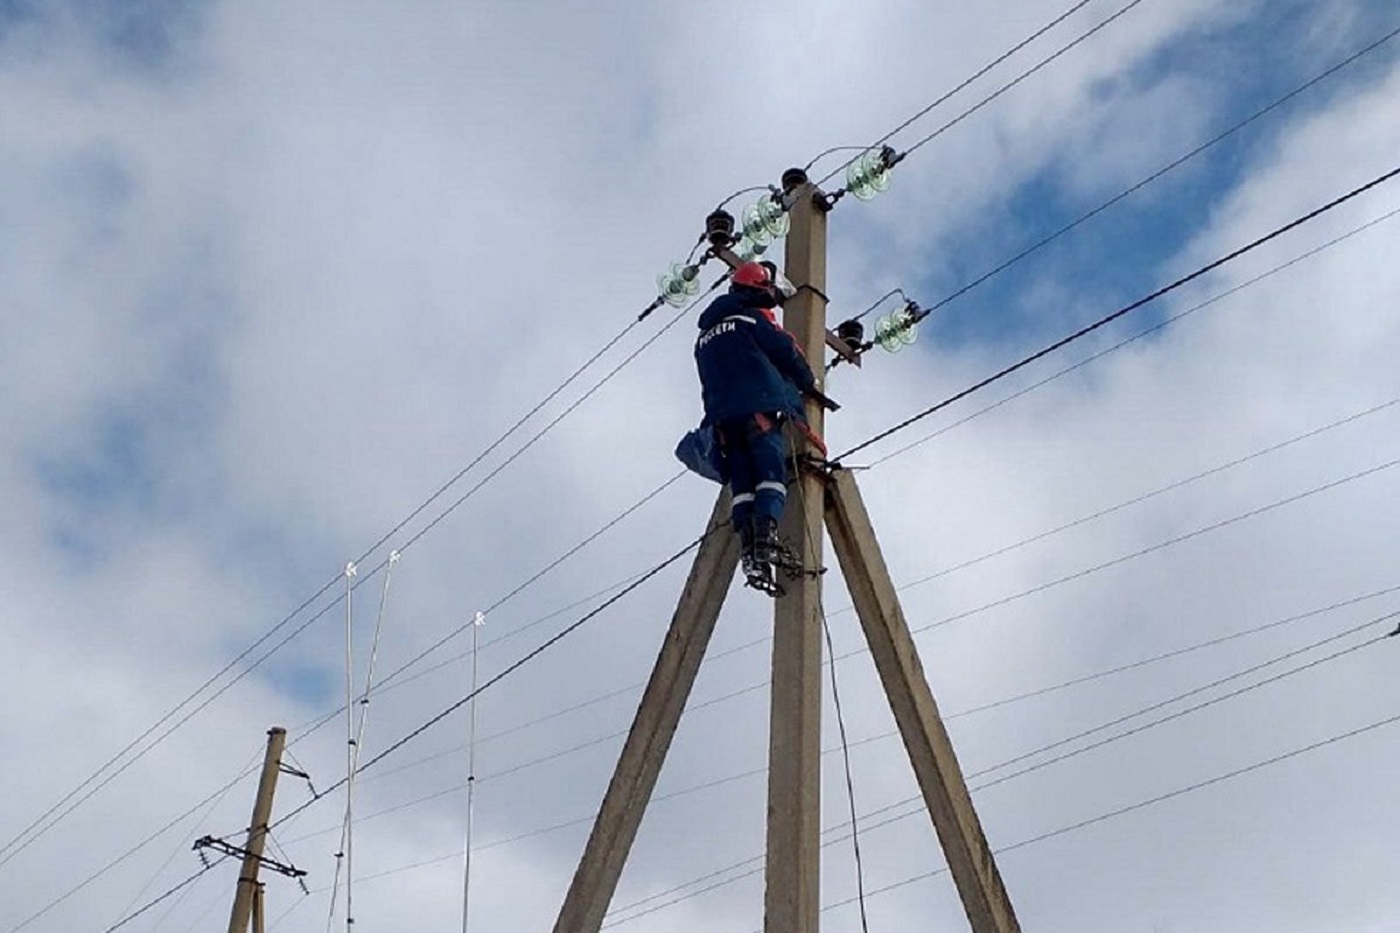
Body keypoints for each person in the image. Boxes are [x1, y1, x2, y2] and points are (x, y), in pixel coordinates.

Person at [693, 261, 817, 593]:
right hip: (755, 411)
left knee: (743, 484)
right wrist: (808, 381)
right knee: (770, 476)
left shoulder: (704, 336)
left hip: (722, 421)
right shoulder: (750, 320)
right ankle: (766, 538)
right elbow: (784, 351)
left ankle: (750, 550)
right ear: (755, 289)